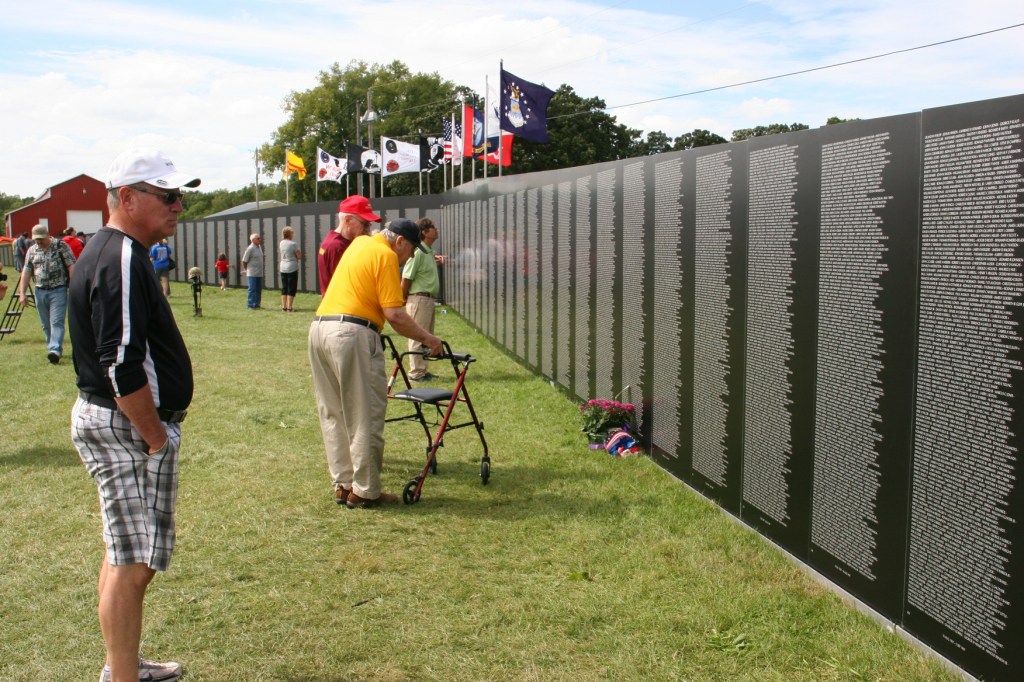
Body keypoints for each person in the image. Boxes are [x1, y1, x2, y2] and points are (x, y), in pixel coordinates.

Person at [69, 147, 199, 682]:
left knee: (126, 553)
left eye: (180, 197)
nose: (178, 207)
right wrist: (153, 436)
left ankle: (122, 663)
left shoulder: (120, 252)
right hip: (126, 427)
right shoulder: (120, 256)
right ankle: (122, 675)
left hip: (119, 424)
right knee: (134, 562)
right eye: (168, 196)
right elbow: (120, 363)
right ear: (128, 198)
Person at [309, 216, 442, 509]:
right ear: (400, 242)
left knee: (333, 412)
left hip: (319, 328)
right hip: (352, 333)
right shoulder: (385, 255)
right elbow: (395, 315)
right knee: (365, 413)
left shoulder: (359, 244)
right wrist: (430, 340)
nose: (407, 258)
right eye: (410, 250)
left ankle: (343, 485)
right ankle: (365, 491)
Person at [17, 223, 76, 364]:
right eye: (36, 239)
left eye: (41, 239)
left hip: (59, 290)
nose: (39, 242)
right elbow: (26, 272)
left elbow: (72, 266)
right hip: (40, 291)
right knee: (45, 324)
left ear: (47, 235)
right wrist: (22, 293)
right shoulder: (32, 250)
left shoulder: (60, 246)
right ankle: (52, 348)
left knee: (56, 321)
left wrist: (74, 286)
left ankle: (55, 349)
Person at [401, 217, 445, 382]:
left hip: (427, 300)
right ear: (425, 232)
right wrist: (402, 297)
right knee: (417, 336)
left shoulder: (428, 252)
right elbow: (406, 277)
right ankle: (416, 373)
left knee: (426, 335)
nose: (436, 229)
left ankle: (422, 370)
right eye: (433, 227)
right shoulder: (418, 252)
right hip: (419, 299)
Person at [317, 195, 381, 295]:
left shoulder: (338, 241)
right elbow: (347, 287)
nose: (368, 229)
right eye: (364, 223)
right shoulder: (337, 247)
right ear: (347, 220)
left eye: (369, 224)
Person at [278, 225, 301, 312]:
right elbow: (299, 256)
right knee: (291, 287)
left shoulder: (281, 243)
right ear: (290, 234)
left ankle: (283, 306)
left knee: (284, 287)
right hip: (292, 267)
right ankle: (289, 307)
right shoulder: (293, 244)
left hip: (283, 267)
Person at [242, 233, 264, 309]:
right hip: (252, 272)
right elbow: (244, 261)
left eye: (259, 238)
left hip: (259, 272)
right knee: (252, 289)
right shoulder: (250, 248)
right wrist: (246, 270)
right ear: (253, 240)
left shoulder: (259, 247)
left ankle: (257, 304)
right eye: (258, 238)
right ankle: (250, 305)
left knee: (258, 289)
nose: (260, 239)